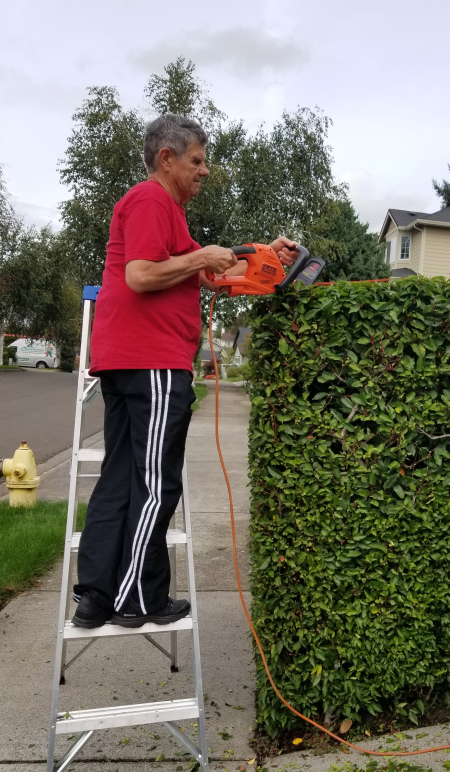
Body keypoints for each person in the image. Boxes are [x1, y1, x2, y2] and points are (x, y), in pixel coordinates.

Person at [72, 113, 298, 629]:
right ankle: (135, 598)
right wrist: (201, 260)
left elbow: (216, 273)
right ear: (167, 158)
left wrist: (268, 257)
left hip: (128, 359)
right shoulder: (153, 199)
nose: (205, 171)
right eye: (197, 161)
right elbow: (142, 274)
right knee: (156, 484)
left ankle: (99, 594)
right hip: (151, 360)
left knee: (122, 478)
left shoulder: (166, 214)